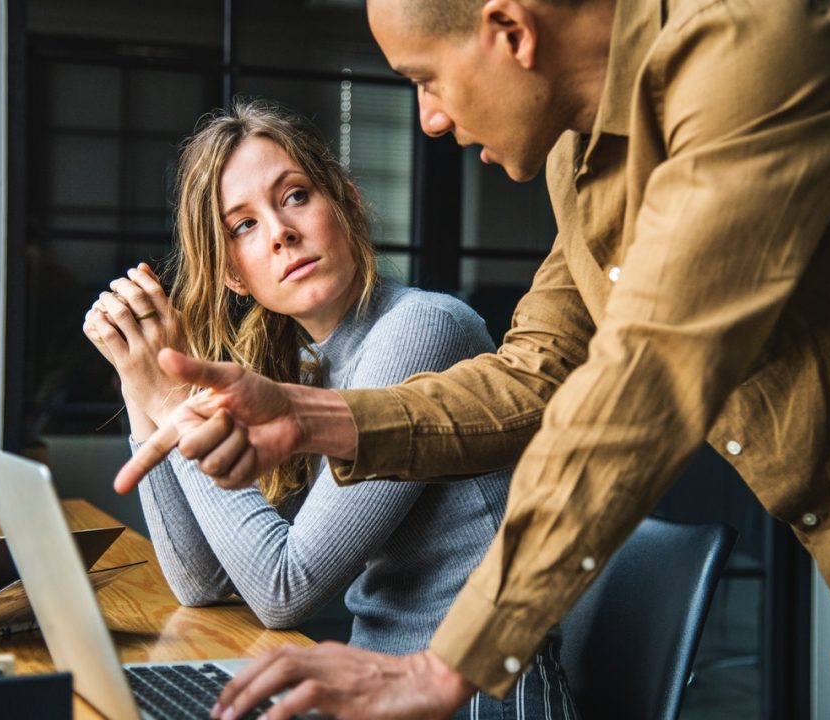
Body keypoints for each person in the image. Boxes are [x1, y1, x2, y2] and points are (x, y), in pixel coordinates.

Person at [116, 0, 830, 718]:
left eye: (426, 79)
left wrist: (445, 665)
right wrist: (306, 415)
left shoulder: (751, 59)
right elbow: (535, 375)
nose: (432, 118)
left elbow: (644, 378)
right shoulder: (578, 163)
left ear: (510, 30)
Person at [84, 99, 578, 719]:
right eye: (243, 226)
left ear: (344, 202)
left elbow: (282, 589)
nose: (280, 233)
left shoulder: (422, 329)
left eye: (294, 197)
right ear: (236, 276)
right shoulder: (308, 364)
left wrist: (174, 402)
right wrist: (141, 385)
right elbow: (202, 584)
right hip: (379, 692)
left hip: (477, 699)